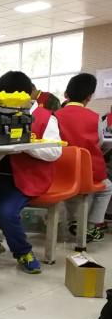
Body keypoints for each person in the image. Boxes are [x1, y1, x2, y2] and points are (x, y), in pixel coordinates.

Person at [0, 71, 62, 274]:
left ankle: (23, 252)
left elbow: (55, 152)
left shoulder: (45, 118)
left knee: (6, 212)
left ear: (28, 95)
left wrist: (24, 143)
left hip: (26, 179)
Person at [56, 73, 112, 242]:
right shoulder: (95, 117)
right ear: (89, 96)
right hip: (88, 172)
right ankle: (91, 225)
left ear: (66, 94)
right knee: (106, 187)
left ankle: (74, 221)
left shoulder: (55, 116)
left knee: (72, 190)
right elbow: (100, 142)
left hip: (61, 171)